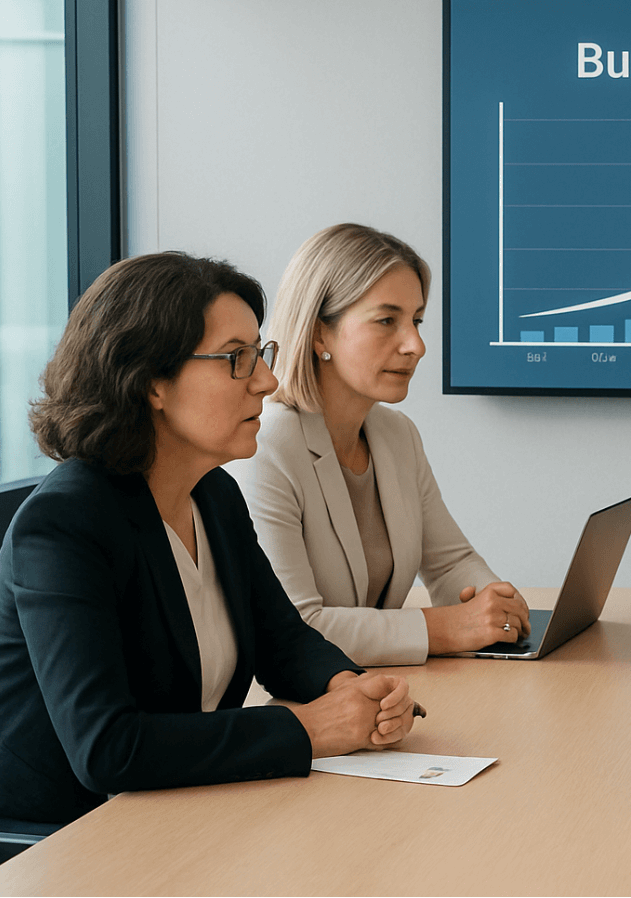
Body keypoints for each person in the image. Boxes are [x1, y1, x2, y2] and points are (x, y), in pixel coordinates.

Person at [0, 253, 416, 831]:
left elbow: (283, 640)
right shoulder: (64, 526)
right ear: (151, 382)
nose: (268, 382)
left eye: (259, 355)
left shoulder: (212, 494)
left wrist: (350, 687)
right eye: (236, 360)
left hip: (187, 809)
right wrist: (312, 728)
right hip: (72, 838)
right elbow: (107, 748)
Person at [228, 223, 530, 666]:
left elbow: (450, 564)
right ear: (319, 334)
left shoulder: (396, 435)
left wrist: (496, 603)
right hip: (294, 708)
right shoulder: (268, 445)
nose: (417, 345)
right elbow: (295, 627)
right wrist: (450, 626)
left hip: (379, 692)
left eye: (417, 321)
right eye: (387, 321)